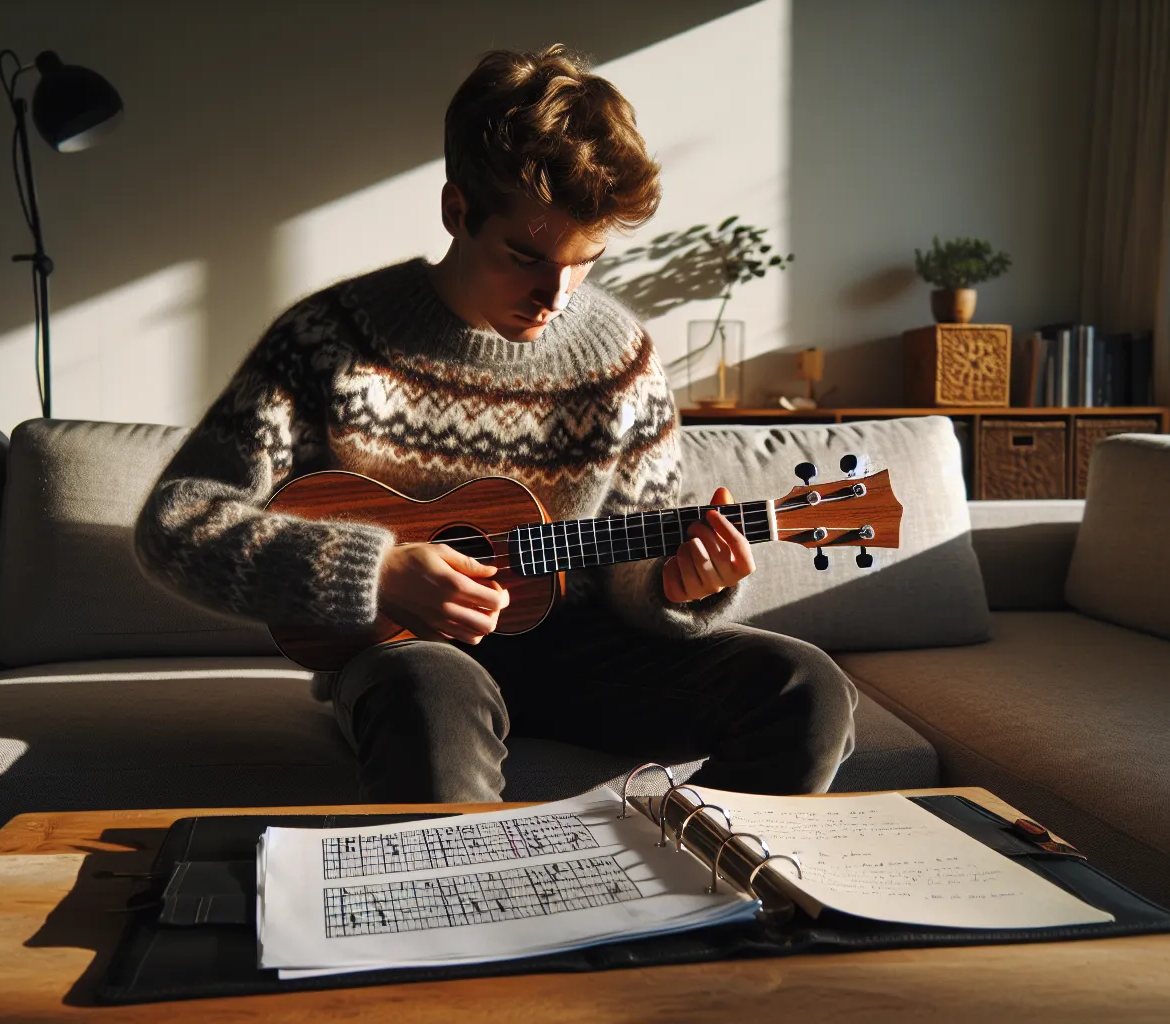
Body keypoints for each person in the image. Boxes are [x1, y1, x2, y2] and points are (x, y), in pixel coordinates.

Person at [136, 44, 855, 802]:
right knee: (431, 697)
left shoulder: (620, 360)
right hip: (412, 657)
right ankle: (476, 915)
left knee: (806, 686)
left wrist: (681, 586)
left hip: (591, 658)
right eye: (526, 256)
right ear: (458, 210)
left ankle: (704, 891)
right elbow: (177, 523)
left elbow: (639, 567)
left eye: (587, 262)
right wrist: (374, 572)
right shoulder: (331, 340)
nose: (558, 295)